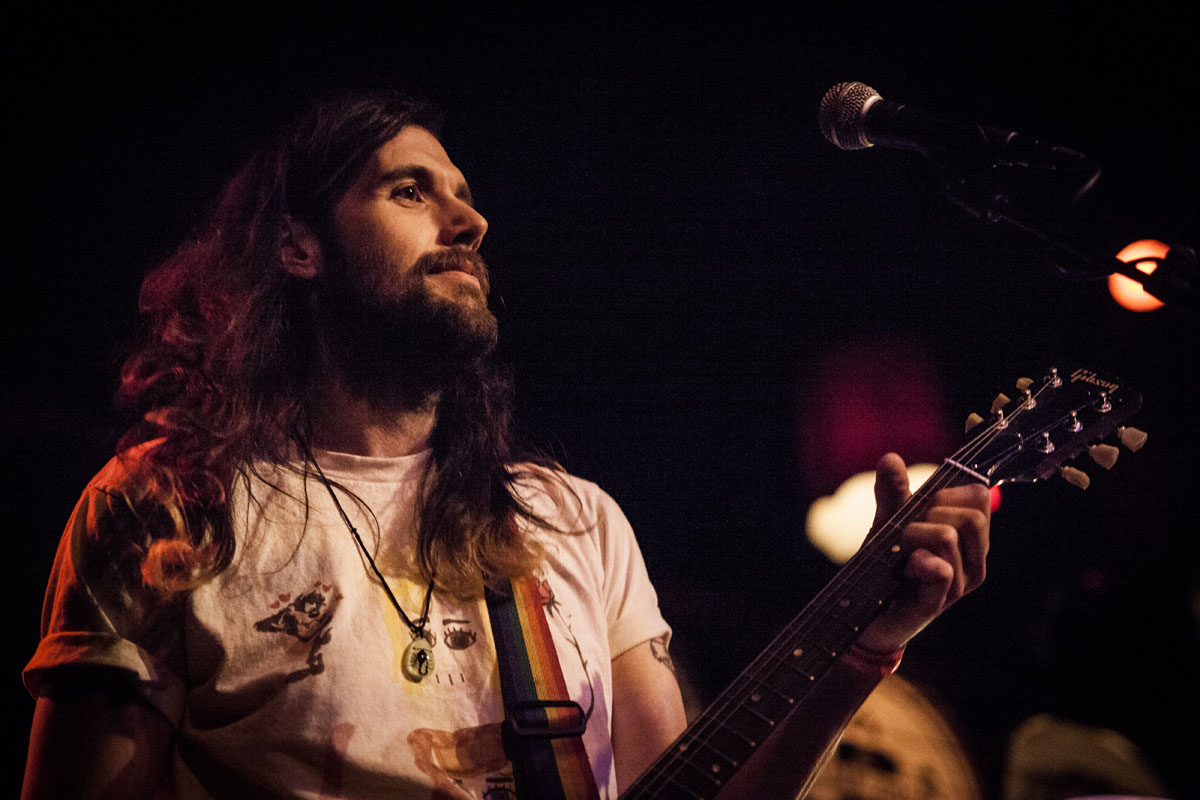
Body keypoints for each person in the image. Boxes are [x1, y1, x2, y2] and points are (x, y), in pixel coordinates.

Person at [21, 88, 990, 799]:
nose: (469, 220)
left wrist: (864, 644)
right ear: (297, 246)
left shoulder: (571, 520)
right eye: (410, 190)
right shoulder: (166, 503)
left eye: (465, 194)